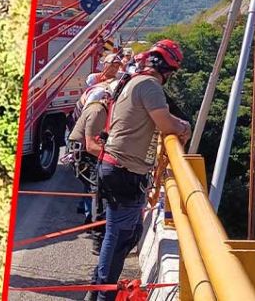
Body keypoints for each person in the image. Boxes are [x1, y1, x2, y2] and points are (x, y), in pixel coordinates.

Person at [85, 39, 191, 301]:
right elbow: (165, 123)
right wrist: (183, 127)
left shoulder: (134, 82)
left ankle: (100, 287)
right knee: (121, 234)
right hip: (124, 170)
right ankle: (103, 292)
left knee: (120, 232)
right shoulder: (150, 86)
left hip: (114, 167)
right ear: (167, 69)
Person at [67, 87, 110, 225]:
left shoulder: (97, 109)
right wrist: (115, 159)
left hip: (81, 153)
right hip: (83, 155)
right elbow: (91, 146)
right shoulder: (98, 111)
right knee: (96, 187)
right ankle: (94, 222)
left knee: (90, 186)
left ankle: (89, 215)